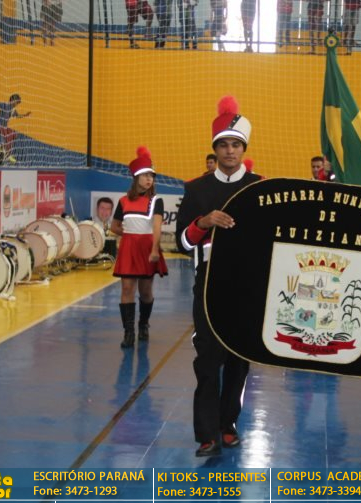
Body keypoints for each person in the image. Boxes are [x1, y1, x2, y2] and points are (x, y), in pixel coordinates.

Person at [176, 96, 261, 457]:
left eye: (236, 145)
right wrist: (203, 222)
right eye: (224, 144)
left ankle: (228, 425)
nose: (230, 151)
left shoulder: (259, 186)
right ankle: (207, 434)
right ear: (215, 148)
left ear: (244, 149)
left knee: (239, 361)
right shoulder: (196, 189)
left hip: (246, 286)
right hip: (209, 284)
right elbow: (182, 242)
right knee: (208, 361)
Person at [111, 146, 168, 348]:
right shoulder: (123, 201)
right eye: (145, 175)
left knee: (145, 291)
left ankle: (143, 324)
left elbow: (157, 226)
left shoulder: (156, 201)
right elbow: (114, 226)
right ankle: (129, 332)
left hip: (147, 248)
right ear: (136, 178)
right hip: (129, 248)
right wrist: (128, 236)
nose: (149, 179)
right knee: (127, 288)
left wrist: (155, 249)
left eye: (151, 176)